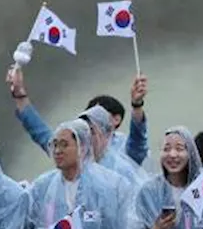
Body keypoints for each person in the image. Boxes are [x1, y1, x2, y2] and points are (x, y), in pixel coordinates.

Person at [8, 67, 149, 165]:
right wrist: (20, 95)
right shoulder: (74, 147)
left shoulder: (124, 149)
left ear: (114, 120)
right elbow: (40, 132)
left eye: (94, 125)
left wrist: (137, 104)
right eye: (85, 122)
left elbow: (138, 141)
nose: (88, 130)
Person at [81, 103, 146, 186]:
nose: (86, 137)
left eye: (92, 131)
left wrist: (137, 106)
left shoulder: (120, 169)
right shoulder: (76, 166)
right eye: (83, 131)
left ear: (107, 134)